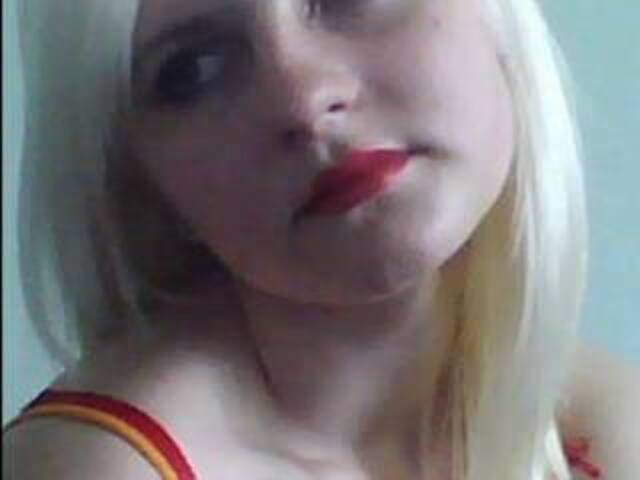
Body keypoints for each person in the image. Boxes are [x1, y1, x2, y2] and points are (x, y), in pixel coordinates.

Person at [3, 0, 639, 478]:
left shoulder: (594, 420)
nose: (304, 98)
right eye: (194, 70)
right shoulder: (101, 465)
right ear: (143, 181)